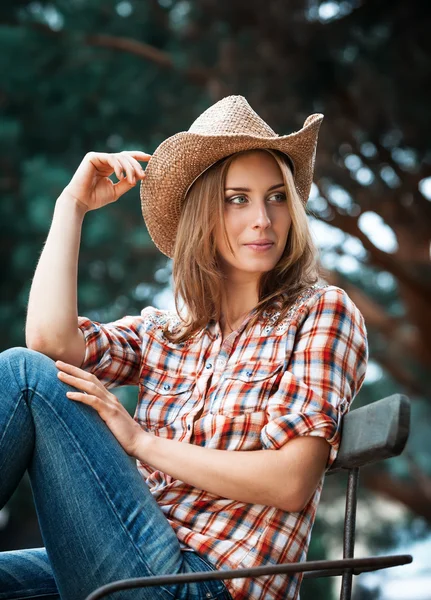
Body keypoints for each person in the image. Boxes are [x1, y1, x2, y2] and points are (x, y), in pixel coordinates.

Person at [0, 95, 368, 600]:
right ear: (203, 214)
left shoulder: (321, 312)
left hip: (205, 585)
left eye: (277, 196)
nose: (263, 218)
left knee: (23, 377)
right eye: (237, 198)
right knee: (25, 369)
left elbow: (290, 481)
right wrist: (73, 206)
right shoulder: (170, 332)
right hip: (140, 556)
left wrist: (141, 443)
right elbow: (49, 342)